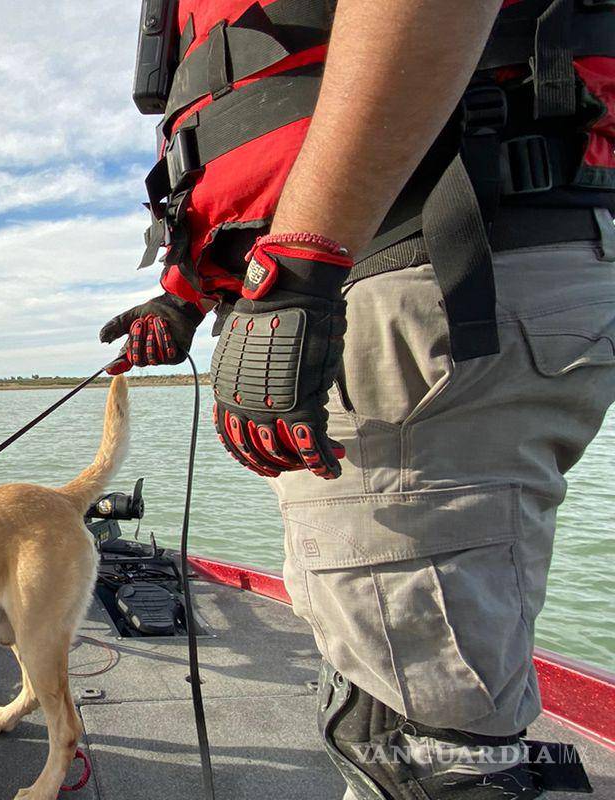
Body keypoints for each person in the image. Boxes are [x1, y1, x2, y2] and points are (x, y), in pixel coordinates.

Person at [101, 0, 615, 797]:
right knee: (377, 691)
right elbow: (259, 149)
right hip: (376, 281)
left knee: (423, 746)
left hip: (431, 261)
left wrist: (298, 267)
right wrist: (187, 295)